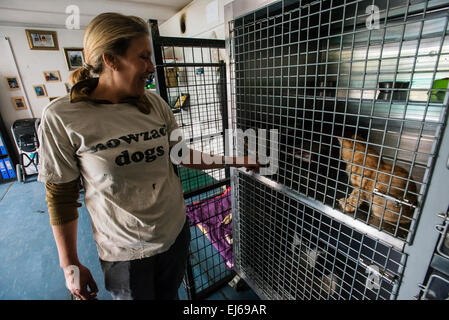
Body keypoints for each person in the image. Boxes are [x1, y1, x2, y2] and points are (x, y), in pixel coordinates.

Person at [37, 12, 259, 300]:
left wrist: (236, 161)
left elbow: (181, 154)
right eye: (142, 57)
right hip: (126, 254)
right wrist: (70, 265)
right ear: (111, 59)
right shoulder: (62, 117)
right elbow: (61, 196)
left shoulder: (154, 103)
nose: (151, 67)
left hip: (174, 234)